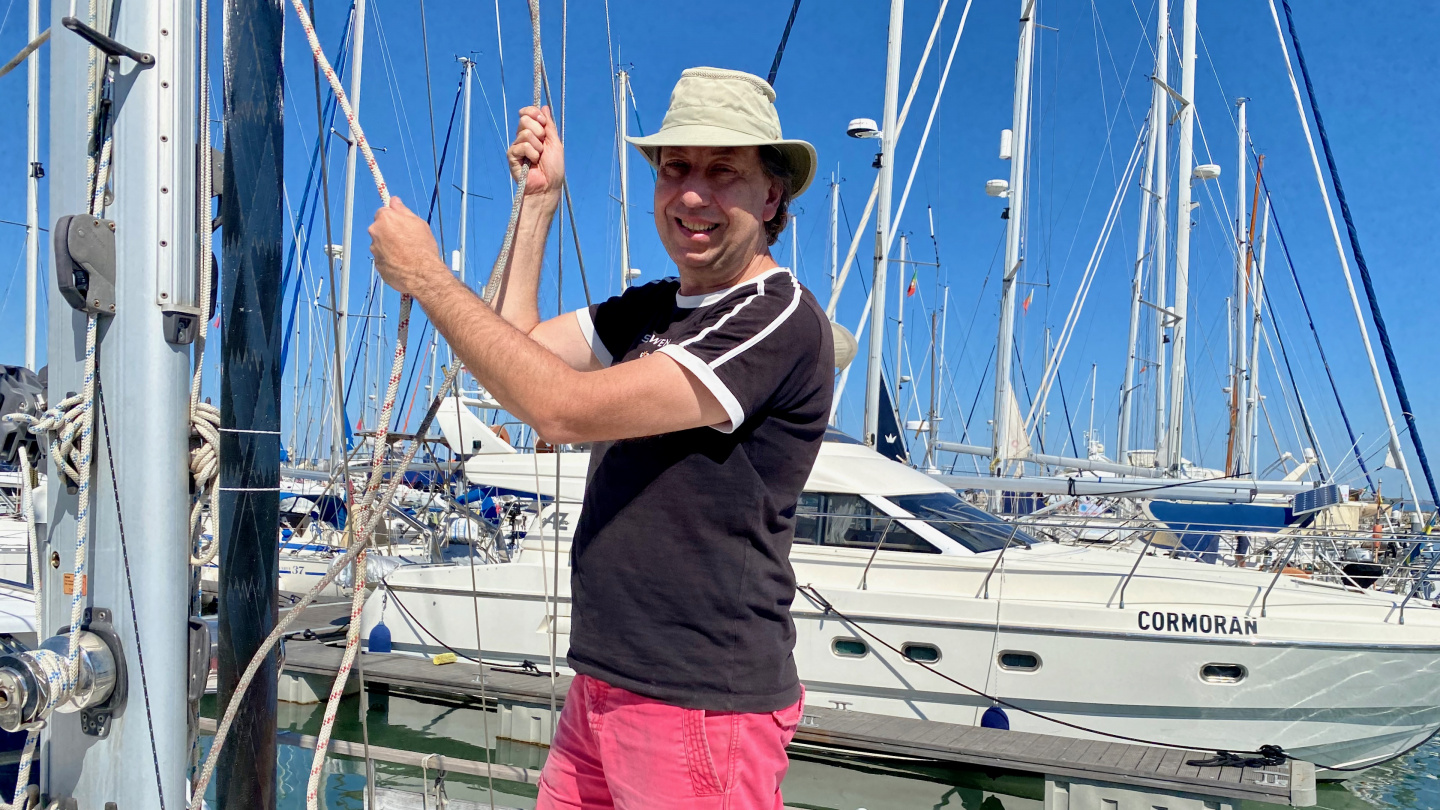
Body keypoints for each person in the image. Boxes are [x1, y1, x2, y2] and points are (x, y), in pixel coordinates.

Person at [369, 66, 832, 809]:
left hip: (699, 704)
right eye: (675, 167)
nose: (691, 193)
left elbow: (561, 411)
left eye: (723, 172)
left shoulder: (774, 317)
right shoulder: (657, 308)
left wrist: (427, 276)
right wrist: (539, 203)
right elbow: (512, 354)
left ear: (771, 195)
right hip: (605, 685)